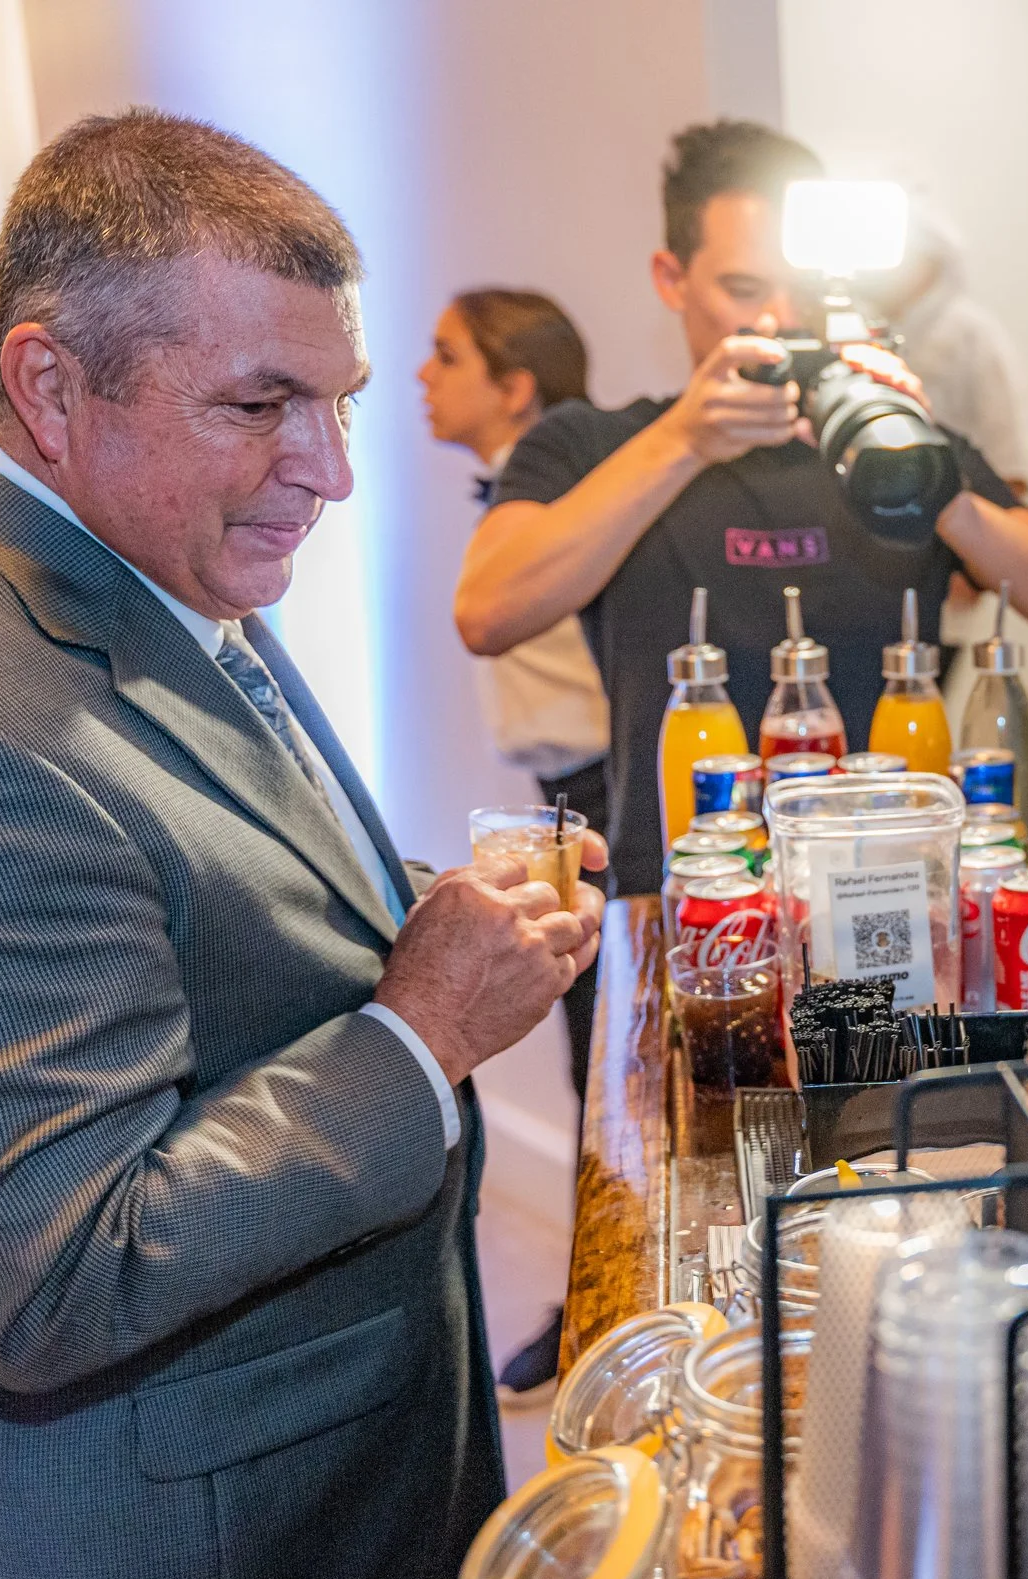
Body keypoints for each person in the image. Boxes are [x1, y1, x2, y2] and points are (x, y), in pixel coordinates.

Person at [0, 113, 606, 1579]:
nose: (331, 470)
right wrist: (419, 1033)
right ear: (51, 387)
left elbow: (201, 905)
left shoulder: (155, 558)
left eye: (341, 400)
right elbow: (53, 1270)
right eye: (261, 405)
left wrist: (431, 911)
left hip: (339, 1508)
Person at [455, 121, 1028, 897]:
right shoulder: (595, 444)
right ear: (672, 278)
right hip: (682, 895)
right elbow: (487, 612)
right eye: (744, 289)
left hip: (887, 889)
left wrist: (926, 473)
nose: (779, 318)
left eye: (803, 289)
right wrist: (685, 441)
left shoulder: (889, 447)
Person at [420, 288, 604, 1403]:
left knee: (611, 1055)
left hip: (615, 793)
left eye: (447, 356)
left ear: (516, 385)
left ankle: (603, 1309)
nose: (421, 376)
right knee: (588, 1046)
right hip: (563, 788)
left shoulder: (573, 503)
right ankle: (592, 1301)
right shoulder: (517, 500)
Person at [858, 202, 1028, 497]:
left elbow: (1010, 459)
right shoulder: (862, 331)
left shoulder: (972, 334)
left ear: (929, 263)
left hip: (960, 508)